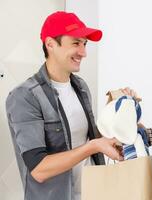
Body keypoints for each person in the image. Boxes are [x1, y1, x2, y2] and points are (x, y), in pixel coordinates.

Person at [6, 11, 122, 200]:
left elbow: (87, 138)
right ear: (50, 44)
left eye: (85, 44)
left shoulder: (80, 87)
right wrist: (92, 147)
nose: (83, 52)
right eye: (76, 43)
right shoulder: (24, 96)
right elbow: (39, 169)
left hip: (92, 194)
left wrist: (122, 114)